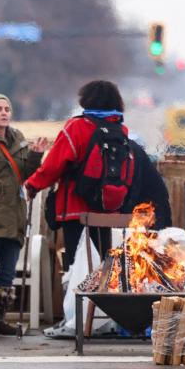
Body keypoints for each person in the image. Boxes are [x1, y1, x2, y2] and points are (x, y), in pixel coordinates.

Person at [24, 80, 129, 270]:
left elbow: (53, 165)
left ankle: (77, 299)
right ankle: (101, 298)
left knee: (77, 266)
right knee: (104, 266)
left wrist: (32, 185)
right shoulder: (120, 130)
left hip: (76, 208)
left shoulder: (77, 127)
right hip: (107, 208)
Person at [0, 94, 50, 337]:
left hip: (15, 213)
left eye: (7, 109)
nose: (4, 113)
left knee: (7, 273)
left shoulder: (19, 140)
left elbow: (26, 175)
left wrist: (35, 155)